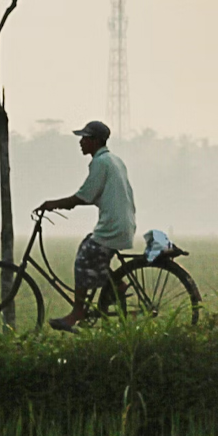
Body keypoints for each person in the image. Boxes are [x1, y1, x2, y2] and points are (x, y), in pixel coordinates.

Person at [35, 120, 136, 331]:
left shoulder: (101, 163)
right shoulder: (113, 160)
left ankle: (78, 312)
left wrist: (52, 205)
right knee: (88, 248)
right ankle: (115, 285)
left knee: (83, 259)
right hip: (121, 223)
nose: (81, 142)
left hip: (112, 227)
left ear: (95, 141)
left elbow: (84, 196)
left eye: (85, 138)